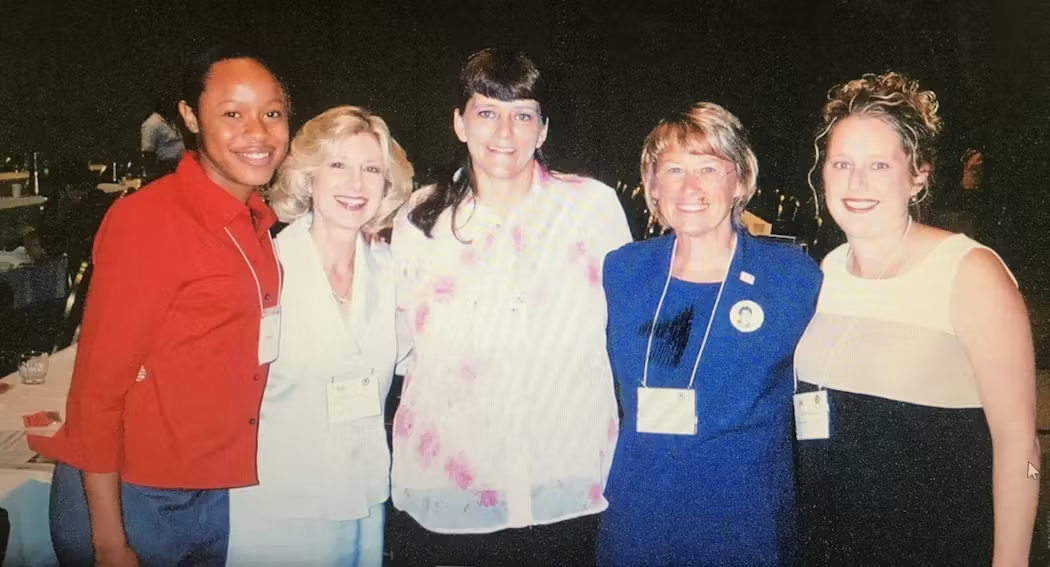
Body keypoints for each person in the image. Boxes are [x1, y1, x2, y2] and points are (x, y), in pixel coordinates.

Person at [32, 44, 290, 567]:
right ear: (190, 117)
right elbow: (96, 392)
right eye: (232, 114)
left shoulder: (256, 222)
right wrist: (108, 541)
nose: (258, 132)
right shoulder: (149, 221)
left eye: (272, 113)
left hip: (209, 489)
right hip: (133, 498)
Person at [388, 48, 632, 566]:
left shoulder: (591, 207)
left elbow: (626, 327)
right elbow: (401, 341)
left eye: (522, 114)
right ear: (459, 123)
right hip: (453, 484)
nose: (504, 133)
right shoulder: (421, 216)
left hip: (565, 478)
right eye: (486, 113)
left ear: (543, 129)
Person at [794, 72, 1039, 565]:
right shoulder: (827, 270)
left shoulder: (969, 272)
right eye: (842, 163)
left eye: (879, 165)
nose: (855, 183)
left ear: (919, 173)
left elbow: (1019, 445)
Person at [596, 103, 822, 566]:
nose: (690, 187)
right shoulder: (623, 271)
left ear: (739, 180)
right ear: (653, 186)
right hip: (637, 520)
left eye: (708, 168)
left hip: (744, 526)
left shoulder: (791, 278)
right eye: (673, 169)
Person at [225, 105, 414, 566]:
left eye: (371, 169)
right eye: (338, 165)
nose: (356, 184)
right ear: (308, 177)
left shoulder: (394, 271)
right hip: (277, 511)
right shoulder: (261, 270)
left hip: (363, 501)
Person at [140, 98, 186, 175]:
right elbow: (147, 152)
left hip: (179, 165)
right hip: (164, 168)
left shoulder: (170, 121)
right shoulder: (152, 124)